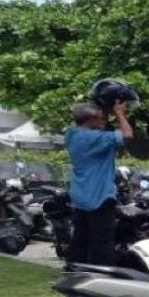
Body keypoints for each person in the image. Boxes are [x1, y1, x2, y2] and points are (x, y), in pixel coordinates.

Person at [64, 100, 133, 265]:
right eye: (101, 118)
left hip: (80, 196)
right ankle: (102, 275)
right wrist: (120, 113)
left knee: (80, 239)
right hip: (99, 196)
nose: (104, 121)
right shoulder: (94, 138)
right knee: (102, 242)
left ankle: (74, 272)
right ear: (91, 120)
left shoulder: (71, 135)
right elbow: (127, 134)